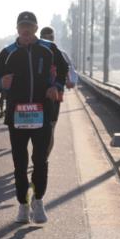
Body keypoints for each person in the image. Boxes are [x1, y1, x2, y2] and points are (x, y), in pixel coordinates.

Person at [0, 13, 68, 225]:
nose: (25, 30)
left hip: (42, 113)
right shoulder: (8, 52)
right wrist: (0, 83)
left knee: (40, 159)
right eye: (22, 26)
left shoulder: (49, 49)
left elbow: (63, 68)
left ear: (35, 28)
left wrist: (56, 87)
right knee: (20, 162)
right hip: (18, 114)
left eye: (29, 26)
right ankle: (23, 205)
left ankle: (39, 200)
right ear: (17, 28)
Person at [38, 26, 77, 155]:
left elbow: (69, 70)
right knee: (36, 129)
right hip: (37, 95)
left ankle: (44, 158)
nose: (50, 40)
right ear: (41, 37)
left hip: (55, 95)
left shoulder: (61, 53)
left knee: (51, 128)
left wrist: (70, 81)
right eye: (46, 38)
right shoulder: (34, 51)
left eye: (52, 38)